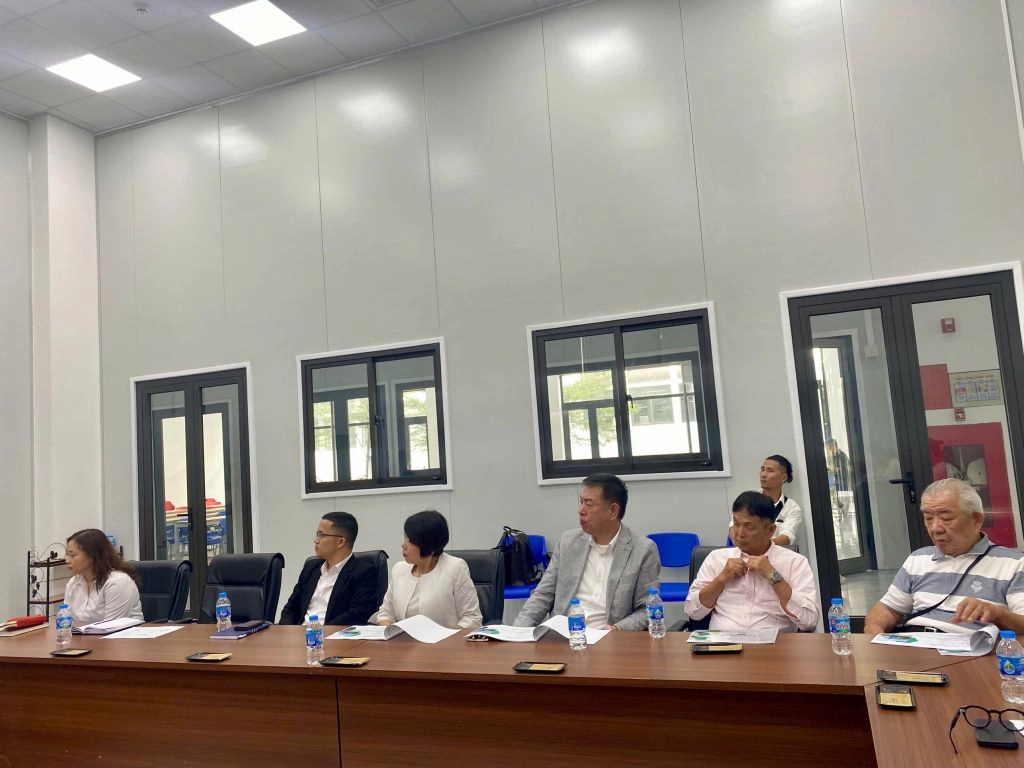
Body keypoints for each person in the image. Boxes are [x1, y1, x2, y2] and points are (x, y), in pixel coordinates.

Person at [864, 478, 1024, 635]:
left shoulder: (1014, 564)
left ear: (976, 520)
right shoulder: (918, 558)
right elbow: (888, 609)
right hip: (913, 644)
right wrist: (874, 630)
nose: (935, 528)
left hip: (968, 647)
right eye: (928, 519)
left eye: (946, 518)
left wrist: (997, 614)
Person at [514, 474, 660, 631]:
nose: (581, 511)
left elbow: (646, 609)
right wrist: (517, 632)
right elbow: (543, 594)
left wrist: (617, 629)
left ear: (613, 511)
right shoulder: (568, 542)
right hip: (564, 636)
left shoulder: (643, 550)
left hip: (609, 639)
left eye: (589, 504)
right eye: (581, 502)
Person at [688, 491, 818, 633]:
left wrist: (774, 576)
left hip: (775, 643)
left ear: (770, 530)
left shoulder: (795, 562)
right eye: (736, 524)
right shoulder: (716, 558)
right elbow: (692, 611)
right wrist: (721, 579)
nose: (739, 534)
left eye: (749, 527)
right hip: (723, 642)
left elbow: (809, 621)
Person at [377, 510, 482, 630]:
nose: (403, 545)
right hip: (404, 641)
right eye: (405, 537)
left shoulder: (455, 568)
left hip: (446, 641)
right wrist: (390, 632)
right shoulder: (399, 570)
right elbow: (385, 614)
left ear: (429, 545)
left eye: (410, 540)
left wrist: (450, 638)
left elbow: (472, 618)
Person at [279, 511, 378, 626]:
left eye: (321, 535)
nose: (316, 540)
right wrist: (287, 630)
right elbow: (291, 608)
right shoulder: (311, 567)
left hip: (333, 634)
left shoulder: (364, 572)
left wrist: (322, 632)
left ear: (340, 541)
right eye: (317, 534)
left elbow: (356, 614)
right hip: (300, 632)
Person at [64, 528, 144, 626]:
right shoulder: (74, 582)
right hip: (85, 635)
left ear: (92, 556)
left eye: (72, 555)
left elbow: (111, 627)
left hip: (124, 635)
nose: (67, 560)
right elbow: (66, 620)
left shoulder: (117, 582)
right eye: (67, 555)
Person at [759, 454, 804, 547]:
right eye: (762, 469)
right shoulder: (748, 499)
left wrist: (760, 546)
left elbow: (787, 537)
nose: (763, 475)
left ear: (783, 478)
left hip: (776, 553)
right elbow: (733, 527)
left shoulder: (792, 507)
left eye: (770, 471)